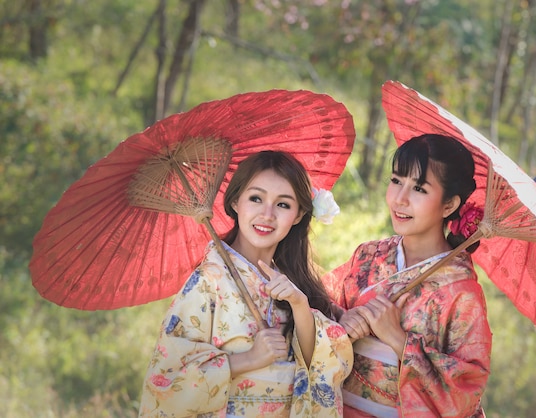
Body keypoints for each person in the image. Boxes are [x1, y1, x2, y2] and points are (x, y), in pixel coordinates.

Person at [139, 150, 354, 417]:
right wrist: (249, 359)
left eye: (283, 204)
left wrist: (300, 305)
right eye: (256, 198)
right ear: (236, 203)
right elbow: (166, 380)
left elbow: (317, 365)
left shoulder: (293, 281)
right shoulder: (208, 280)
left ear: (298, 215)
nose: (267, 214)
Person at [323, 134, 493, 417]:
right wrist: (342, 319)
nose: (400, 199)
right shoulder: (368, 256)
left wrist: (399, 340)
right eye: (396, 181)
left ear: (449, 205)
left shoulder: (461, 292)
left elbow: (466, 390)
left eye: (419, 189)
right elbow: (320, 303)